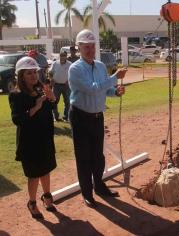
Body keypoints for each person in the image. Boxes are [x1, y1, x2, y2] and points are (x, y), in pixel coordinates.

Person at [68, 29, 127, 208]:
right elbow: (92, 88)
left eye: (92, 46)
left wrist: (115, 91)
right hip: (80, 117)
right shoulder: (75, 69)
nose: (90, 49)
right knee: (83, 157)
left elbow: (104, 90)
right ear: (79, 48)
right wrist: (114, 78)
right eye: (86, 47)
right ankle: (87, 193)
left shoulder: (100, 66)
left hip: (96, 117)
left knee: (98, 157)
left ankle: (99, 186)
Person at [8, 57, 57, 219]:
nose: (33, 76)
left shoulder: (40, 88)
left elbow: (51, 106)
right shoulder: (16, 95)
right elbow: (17, 119)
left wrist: (51, 97)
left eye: (35, 72)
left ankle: (47, 197)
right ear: (21, 76)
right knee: (34, 174)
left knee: (46, 169)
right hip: (29, 142)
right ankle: (32, 202)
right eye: (29, 73)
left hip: (44, 138)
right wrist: (36, 107)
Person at [49, 51, 72, 122]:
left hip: (66, 86)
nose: (62, 57)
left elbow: (73, 74)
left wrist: (68, 81)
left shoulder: (70, 64)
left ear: (66, 56)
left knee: (67, 102)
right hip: (56, 85)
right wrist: (51, 79)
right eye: (61, 55)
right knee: (54, 101)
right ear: (59, 56)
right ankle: (56, 117)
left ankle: (66, 117)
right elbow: (50, 72)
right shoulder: (55, 63)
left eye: (64, 55)